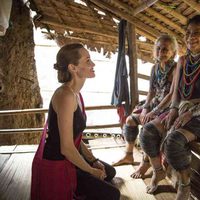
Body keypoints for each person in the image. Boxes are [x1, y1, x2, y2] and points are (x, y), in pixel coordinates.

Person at [31, 43, 120, 200]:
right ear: (73, 68)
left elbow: (76, 138)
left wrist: (93, 160)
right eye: (87, 61)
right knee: (112, 195)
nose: (93, 64)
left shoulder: (76, 94)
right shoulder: (65, 96)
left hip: (71, 153)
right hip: (58, 161)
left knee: (109, 172)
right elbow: (66, 148)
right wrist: (91, 171)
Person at [112, 34, 178, 179]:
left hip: (168, 107)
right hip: (155, 104)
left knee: (147, 127)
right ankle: (128, 155)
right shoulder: (155, 68)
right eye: (159, 49)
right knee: (130, 120)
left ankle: (145, 163)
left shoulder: (175, 69)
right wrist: (146, 108)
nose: (161, 52)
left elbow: (171, 94)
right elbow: (151, 91)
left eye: (165, 49)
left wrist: (154, 111)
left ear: (173, 52)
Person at [153, 15, 200, 200]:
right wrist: (173, 109)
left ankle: (184, 185)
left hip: (195, 115)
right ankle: (158, 171)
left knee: (173, 141)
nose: (190, 37)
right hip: (184, 111)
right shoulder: (183, 61)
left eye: (197, 33)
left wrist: (190, 112)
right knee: (152, 131)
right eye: (188, 33)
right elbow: (177, 94)